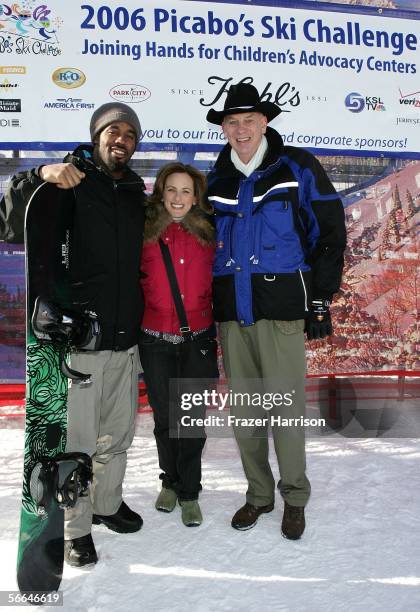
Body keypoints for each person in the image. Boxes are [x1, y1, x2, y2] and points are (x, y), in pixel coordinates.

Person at [0, 102, 146, 566]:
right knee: (78, 445)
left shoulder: (134, 193)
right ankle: (75, 529)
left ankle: (107, 506)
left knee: (118, 437)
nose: (120, 138)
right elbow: (9, 218)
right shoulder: (70, 181)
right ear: (97, 135)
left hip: (126, 341)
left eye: (129, 133)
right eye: (112, 130)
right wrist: (40, 172)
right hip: (82, 343)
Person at [206, 82, 346, 539]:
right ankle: (259, 496)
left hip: (282, 311)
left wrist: (320, 300)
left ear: (264, 122)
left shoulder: (298, 167)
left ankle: (295, 497)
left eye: (248, 120)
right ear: (223, 128)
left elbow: (328, 236)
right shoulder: (216, 177)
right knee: (246, 414)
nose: (240, 129)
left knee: (284, 411)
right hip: (233, 315)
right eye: (232, 121)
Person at [138, 162, 218, 527]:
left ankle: (189, 491)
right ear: (161, 192)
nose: (178, 198)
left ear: (196, 196)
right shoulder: (143, 232)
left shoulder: (210, 232)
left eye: (186, 191)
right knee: (164, 417)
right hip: (154, 339)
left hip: (197, 339)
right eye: (172, 189)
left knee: (191, 421)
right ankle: (169, 481)